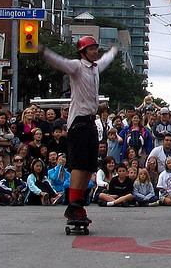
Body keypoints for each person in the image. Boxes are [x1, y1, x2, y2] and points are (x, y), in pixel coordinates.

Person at [40, 36, 117, 224]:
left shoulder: (96, 67)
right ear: (82, 52)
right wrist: (43, 51)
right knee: (79, 164)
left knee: (90, 165)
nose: (94, 52)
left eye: (95, 48)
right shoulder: (76, 66)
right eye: (91, 49)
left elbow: (106, 59)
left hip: (90, 120)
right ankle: (73, 205)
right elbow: (60, 62)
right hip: (79, 121)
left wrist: (114, 50)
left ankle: (79, 204)